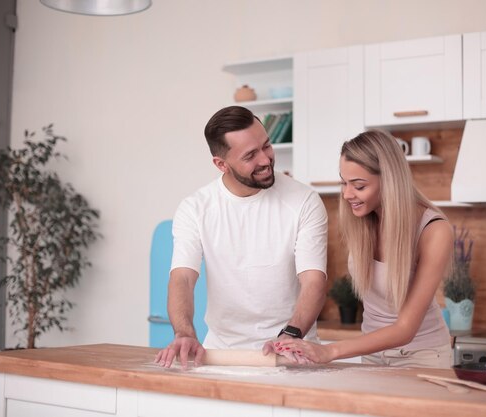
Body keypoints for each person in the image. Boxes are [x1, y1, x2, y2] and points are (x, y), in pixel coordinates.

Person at [155, 106, 328, 368]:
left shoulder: (304, 200)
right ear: (221, 164)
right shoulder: (196, 208)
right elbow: (182, 277)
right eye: (250, 155)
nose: (265, 160)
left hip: (291, 352)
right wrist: (185, 333)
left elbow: (313, 280)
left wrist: (291, 335)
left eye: (266, 146)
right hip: (220, 356)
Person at [276, 130, 453, 368]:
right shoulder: (363, 221)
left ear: (389, 180)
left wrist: (330, 351)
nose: (348, 194)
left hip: (422, 356)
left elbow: (405, 329)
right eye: (343, 182)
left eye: (359, 185)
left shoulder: (434, 231)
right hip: (373, 357)